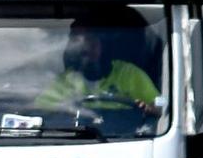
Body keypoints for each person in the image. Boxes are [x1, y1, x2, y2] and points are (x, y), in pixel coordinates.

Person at [34, 23, 163, 118]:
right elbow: (39, 113)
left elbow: (161, 108)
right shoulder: (65, 81)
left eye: (91, 39)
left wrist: (148, 109)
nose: (87, 48)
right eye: (80, 42)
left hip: (126, 140)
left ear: (104, 44)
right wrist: (62, 110)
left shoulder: (129, 74)